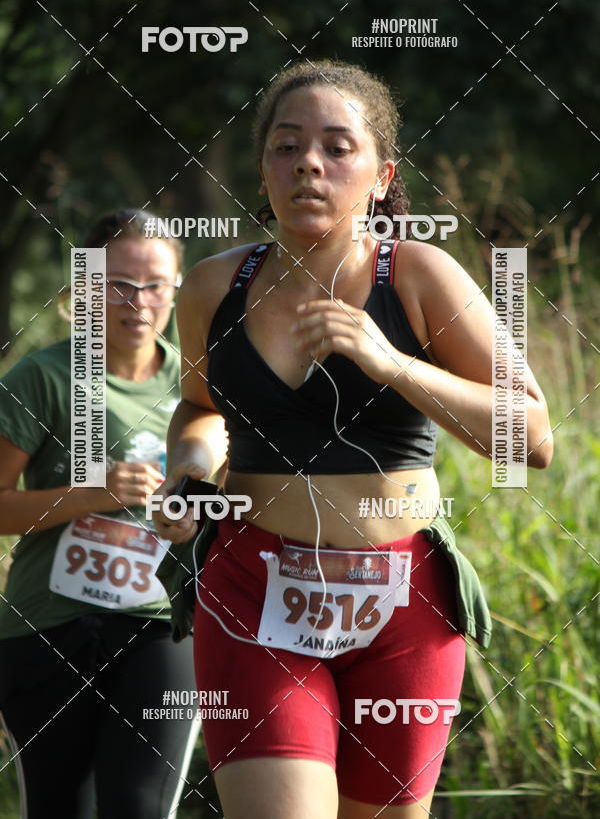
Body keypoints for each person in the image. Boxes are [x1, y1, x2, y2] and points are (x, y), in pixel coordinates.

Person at [154, 60, 553, 818]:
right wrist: (190, 476)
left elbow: (531, 438)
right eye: (287, 145)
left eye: (338, 146)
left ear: (380, 175)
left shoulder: (420, 275)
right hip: (253, 592)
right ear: (264, 169)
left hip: (405, 605)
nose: (310, 161)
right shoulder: (213, 287)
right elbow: (199, 411)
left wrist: (391, 361)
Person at [0, 210, 209, 818]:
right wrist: (93, 494)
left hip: (158, 627)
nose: (138, 302)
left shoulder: (201, 384)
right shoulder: (42, 377)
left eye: (155, 286)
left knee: (140, 808)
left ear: (176, 290)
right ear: (87, 284)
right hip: (46, 627)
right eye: (118, 283)